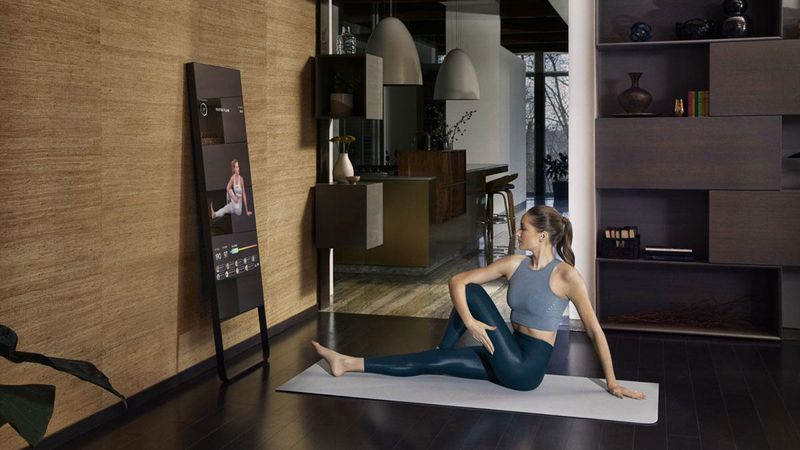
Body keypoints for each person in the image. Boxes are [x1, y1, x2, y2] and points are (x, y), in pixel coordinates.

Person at [312, 205, 645, 399]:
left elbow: (594, 331)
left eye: (524, 229)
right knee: (435, 360)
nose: (518, 233)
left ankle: (441, 350)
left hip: (525, 369)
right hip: (505, 353)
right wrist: (470, 322)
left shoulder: (567, 276)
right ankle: (349, 363)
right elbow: (455, 280)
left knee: (471, 293)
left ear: (542, 236)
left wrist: (612, 382)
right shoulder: (514, 264)